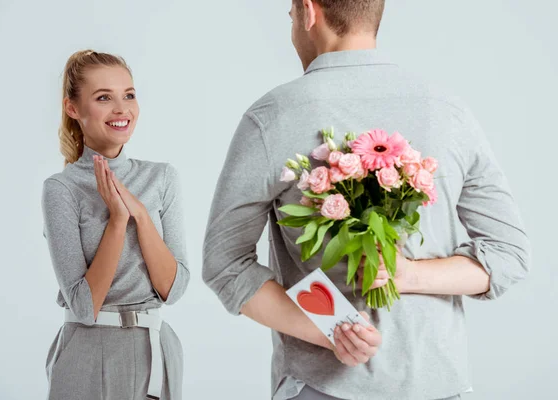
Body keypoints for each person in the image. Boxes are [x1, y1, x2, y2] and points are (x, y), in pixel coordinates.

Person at [202, 1, 531, 399]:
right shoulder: (447, 111)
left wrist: (335, 327)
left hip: (322, 387)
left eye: (289, 13)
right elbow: (508, 255)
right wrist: (409, 274)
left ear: (308, 12)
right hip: (438, 384)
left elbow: (225, 264)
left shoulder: (274, 115)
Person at [41, 50, 189, 400]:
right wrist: (118, 221)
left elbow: (175, 288)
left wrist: (140, 215)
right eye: (104, 97)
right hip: (89, 352)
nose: (122, 109)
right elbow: (83, 306)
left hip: (157, 352)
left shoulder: (162, 178)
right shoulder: (61, 189)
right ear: (73, 108)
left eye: (129, 95)